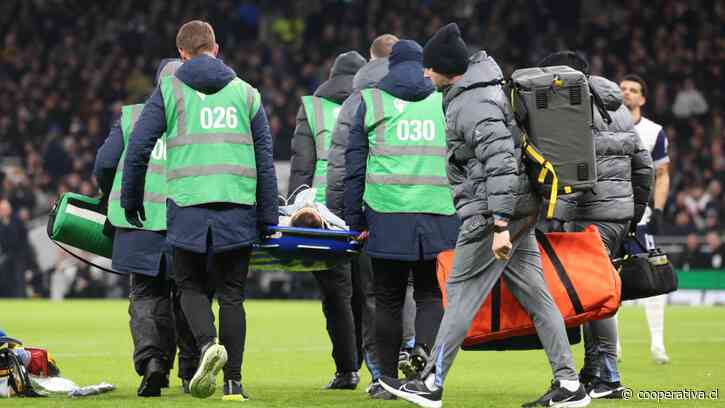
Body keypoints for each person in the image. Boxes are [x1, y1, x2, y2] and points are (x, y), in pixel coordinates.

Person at [380, 24, 589, 408]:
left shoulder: (473, 105)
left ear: (447, 67)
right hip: (515, 209)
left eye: (430, 67)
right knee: (538, 299)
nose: (425, 74)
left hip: (492, 214)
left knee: (459, 295)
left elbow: (501, 164)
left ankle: (432, 383)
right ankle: (570, 384)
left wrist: (498, 225)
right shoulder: (479, 91)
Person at [121, 20, 278, 400]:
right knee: (232, 295)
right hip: (237, 205)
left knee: (189, 286)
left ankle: (207, 345)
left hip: (188, 206)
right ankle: (234, 384)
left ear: (182, 54)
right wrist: (268, 216)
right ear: (216, 48)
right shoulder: (247, 94)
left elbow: (140, 145)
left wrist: (132, 198)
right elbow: (265, 159)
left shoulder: (170, 89)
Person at [344, 38, 460, 399]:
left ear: (390, 66)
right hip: (438, 210)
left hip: (387, 212)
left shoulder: (371, 100)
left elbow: (353, 167)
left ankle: (387, 381)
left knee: (388, 299)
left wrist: (354, 220)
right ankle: (425, 368)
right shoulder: (442, 99)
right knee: (429, 295)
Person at [538, 51, 654, 399]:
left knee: (593, 294)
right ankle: (593, 371)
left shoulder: (572, 108)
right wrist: (633, 211)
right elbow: (643, 166)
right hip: (617, 214)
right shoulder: (616, 108)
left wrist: (555, 215)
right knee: (592, 291)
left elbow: (574, 173)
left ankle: (609, 377)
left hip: (590, 216)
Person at [95, 59, 199, 397]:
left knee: (144, 295)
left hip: (138, 223)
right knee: (188, 294)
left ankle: (152, 362)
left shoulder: (131, 117)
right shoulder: (196, 120)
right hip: (185, 222)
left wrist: (111, 194)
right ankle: (190, 370)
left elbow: (106, 163)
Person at [326, 33, 418, 399]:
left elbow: (340, 163)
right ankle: (415, 348)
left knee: (374, 295)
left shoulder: (358, 99)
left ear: (370, 59)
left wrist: (341, 216)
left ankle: (381, 372)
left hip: (373, 211)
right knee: (417, 288)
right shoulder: (427, 95)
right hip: (424, 209)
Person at [288, 49, 367, 389]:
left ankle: (347, 370)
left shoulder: (313, 108)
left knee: (336, 295)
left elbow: (301, 165)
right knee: (371, 293)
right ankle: (377, 369)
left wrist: (294, 211)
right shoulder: (372, 103)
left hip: (323, 215)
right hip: (366, 208)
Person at [620, 74, 672, 364]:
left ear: (642, 99)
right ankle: (612, 350)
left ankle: (657, 345)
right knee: (609, 283)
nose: (626, 93)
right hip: (609, 218)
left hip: (640, 219)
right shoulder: (599, 125)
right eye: (622, 89)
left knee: (654, 280)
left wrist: (659, 210)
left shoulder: (654, 131)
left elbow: (662, 175)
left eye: (633, 90)